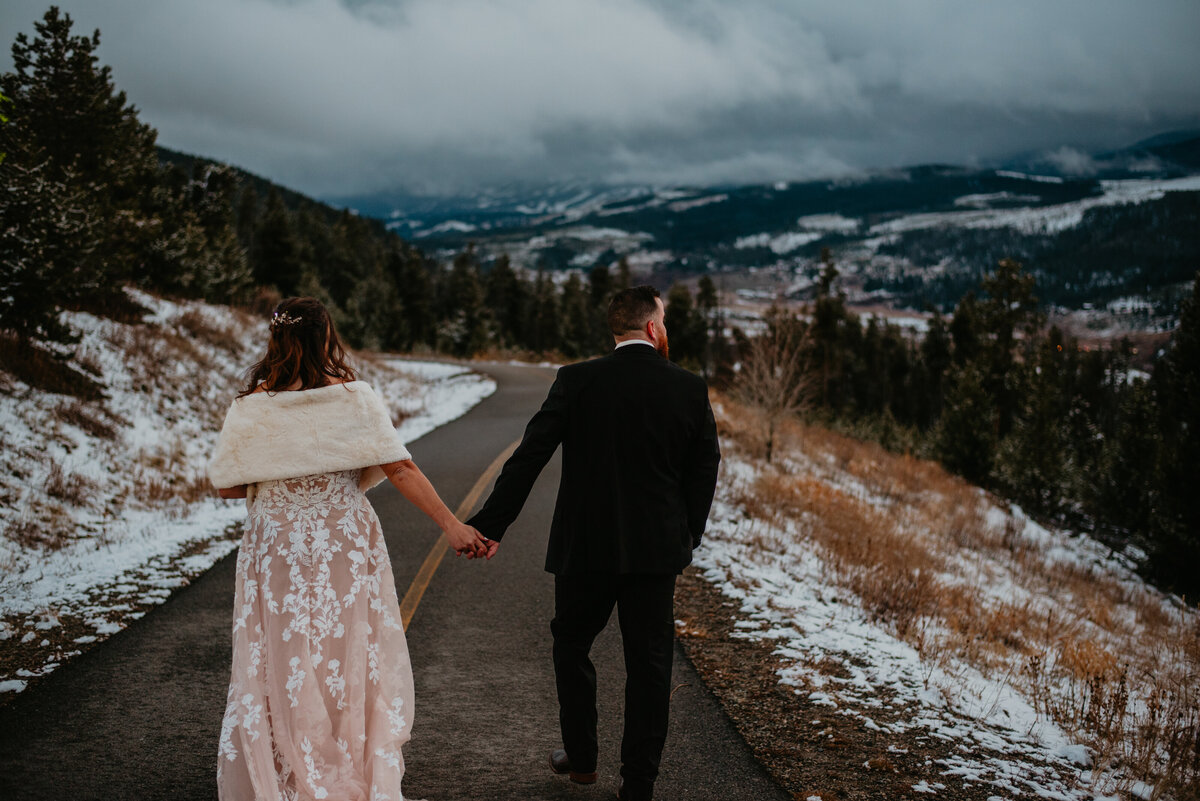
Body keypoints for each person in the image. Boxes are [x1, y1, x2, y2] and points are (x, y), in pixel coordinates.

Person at [208, 297, 487, 801]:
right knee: (345, 646)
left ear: (276, 339)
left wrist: (281, 472)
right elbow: (399, 467)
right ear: (327, 337)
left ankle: (287, 761)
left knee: (284, 648)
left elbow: (227, 486)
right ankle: (343, 753)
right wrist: (451, 525)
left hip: (277, 540)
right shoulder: (354, 398)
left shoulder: (252, 405)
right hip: (343, 533)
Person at [467, 285, 721, 801]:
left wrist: (491, 525)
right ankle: (638, 782)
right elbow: (703, 471)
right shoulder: (688, 388)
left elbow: (529, 456)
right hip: (655, 554)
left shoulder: (577, 381)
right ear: (653, 327)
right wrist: (686, 536)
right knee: (649, 664)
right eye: (664, 321)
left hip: (584, 548)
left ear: (616, 330)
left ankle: (582, 759)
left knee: (571, 642)